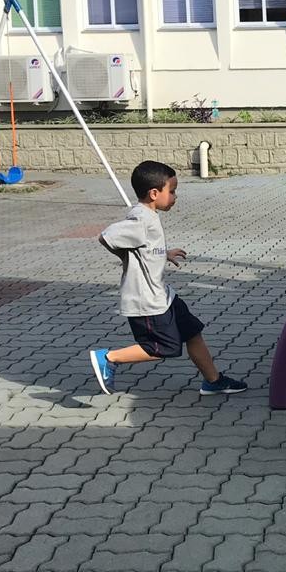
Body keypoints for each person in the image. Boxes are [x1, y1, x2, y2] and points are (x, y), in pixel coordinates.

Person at [88, 160, 246, 397]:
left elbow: (145, 247)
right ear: (154, 193)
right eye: (171, 191)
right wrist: (126, 257)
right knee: (164, 348)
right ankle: (109, 357)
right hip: (147, 301)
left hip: (163, 295)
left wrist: (163, 253)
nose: (175, 196)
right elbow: (106, 236)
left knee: (192, 330)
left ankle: (213, 381)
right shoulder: (141, 220)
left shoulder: (148, 216)